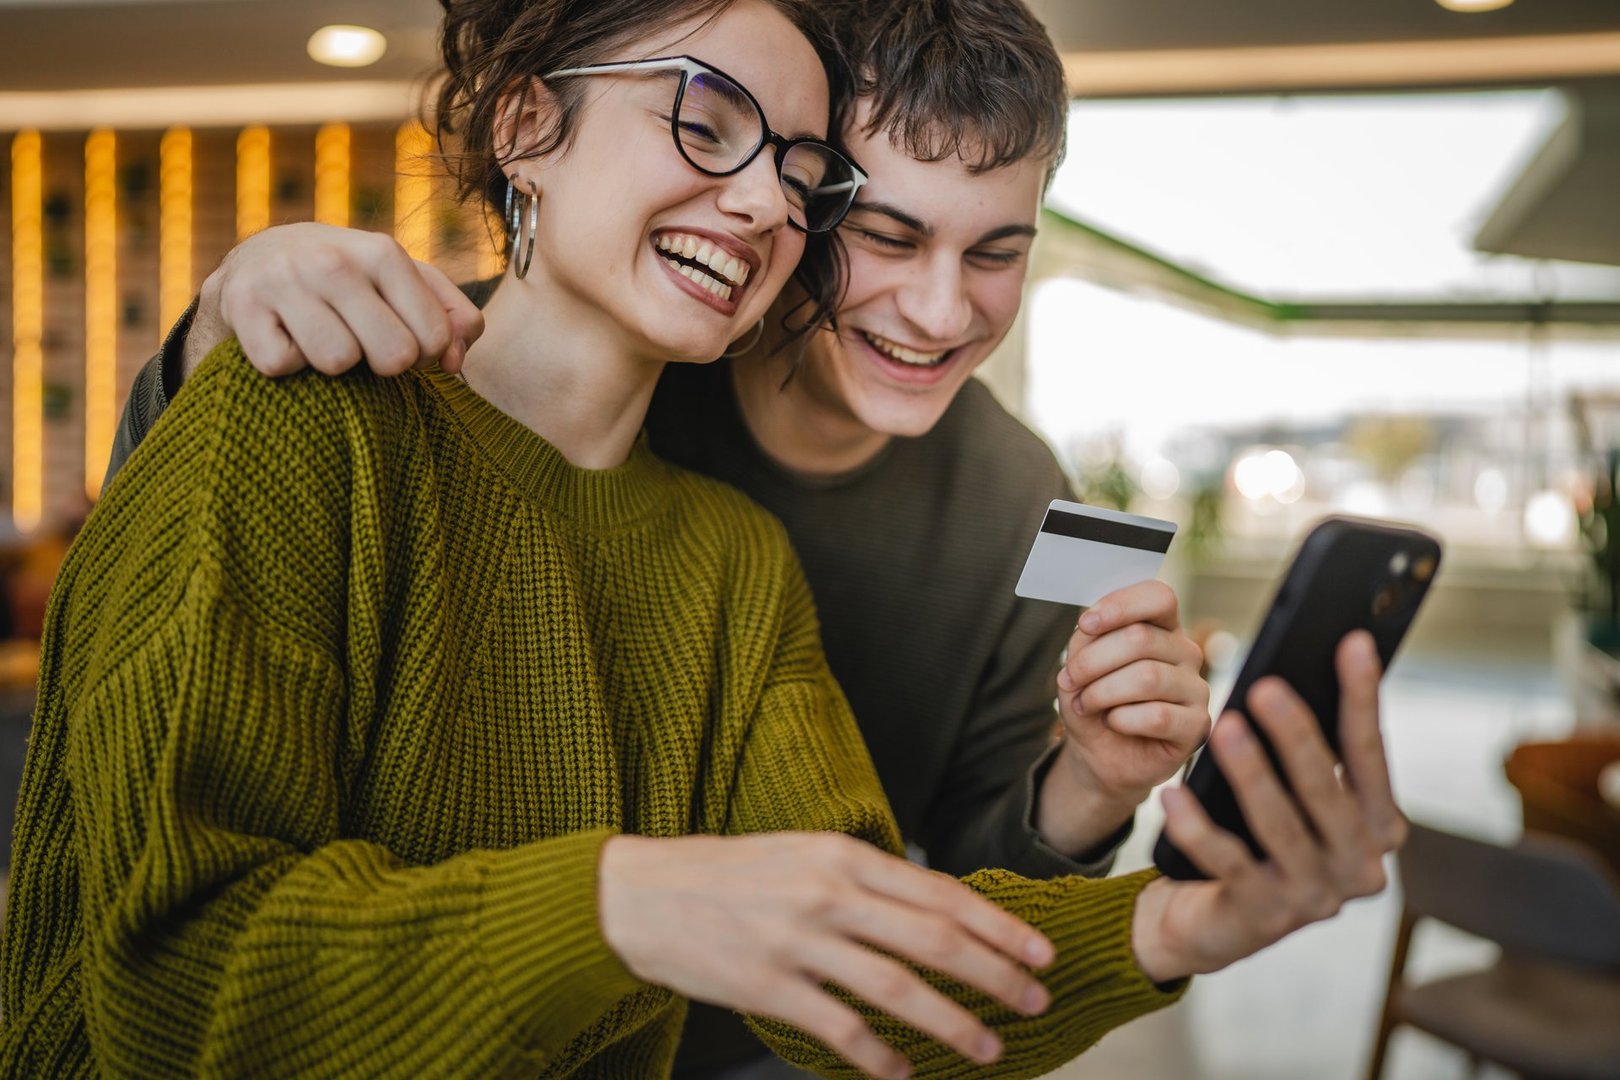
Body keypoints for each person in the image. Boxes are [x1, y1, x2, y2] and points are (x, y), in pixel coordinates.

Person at [94, 2, 1404, 1078]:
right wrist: (224, 327)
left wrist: (1127, 822)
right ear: (526, 123)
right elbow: (163, 917)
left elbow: (946, 881)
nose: (942, 310)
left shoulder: (1032, 505)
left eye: (996, 254)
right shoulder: (489, 375)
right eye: (884, 228)